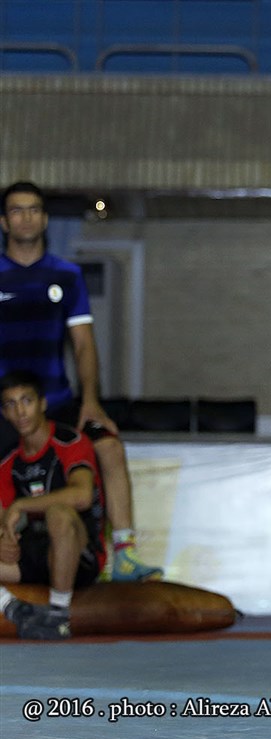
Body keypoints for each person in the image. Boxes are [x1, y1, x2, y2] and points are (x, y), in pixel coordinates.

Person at [0, 181, 161, 582]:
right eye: (17, 210)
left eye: (34, 209)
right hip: (4, 408)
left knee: (108, 445)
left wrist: (91, 401)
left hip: (56, 401)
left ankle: (124, 554)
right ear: (4, 222)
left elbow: (84, 345)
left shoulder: (67, 276)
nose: (26, 218)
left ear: (45, 219)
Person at [0, 370, 107, 639]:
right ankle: (13, 608)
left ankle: (58, 615)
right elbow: (3, 516)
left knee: (58, 513)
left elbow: (82, 496)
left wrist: (22, 505)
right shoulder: (8, 461)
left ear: (43, 404)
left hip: (78, 553)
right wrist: (4, 540)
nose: (20, 412)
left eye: (27, 401)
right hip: (34, 553)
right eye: (11, 404)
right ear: (4, 413)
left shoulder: (70, 442)